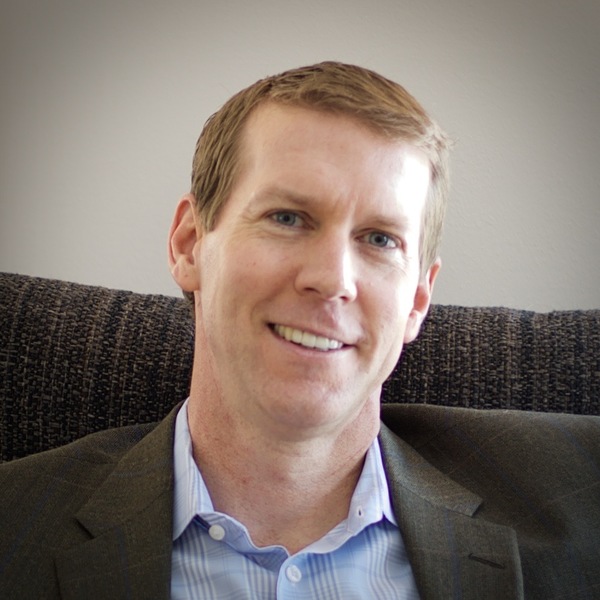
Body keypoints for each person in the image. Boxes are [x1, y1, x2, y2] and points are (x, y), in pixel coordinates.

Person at [0, 61, 598, 600]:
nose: (332, 279)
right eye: (287, 218)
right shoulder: (16, 525)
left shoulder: (579, 489)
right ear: (189, 244)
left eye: (380, 239)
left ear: (419, 299)